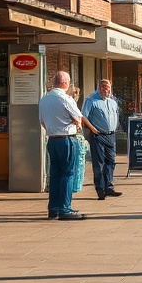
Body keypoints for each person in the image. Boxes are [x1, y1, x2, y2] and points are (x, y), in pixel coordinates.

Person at [39, 71, 91, 220]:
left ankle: (53, 208)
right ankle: (65, 208)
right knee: (67, 174)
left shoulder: (44, 99)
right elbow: (77, 118)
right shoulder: (66, 99)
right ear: (65, 83)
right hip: (66, 139)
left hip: (52, 139)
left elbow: (42, 122)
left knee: (55, 174)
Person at [81, 79, 122, 200]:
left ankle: (109, 186)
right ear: (99, 87)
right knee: (99, 163)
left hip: (111, 135)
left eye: (108, 88)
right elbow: (83, 116)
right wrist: (92, 129)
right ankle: (100, 189)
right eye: (104, 87)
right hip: (98, 135)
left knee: (111, 161)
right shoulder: (91, 100)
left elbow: (116, 115)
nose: (106, 90)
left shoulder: (112, 102)